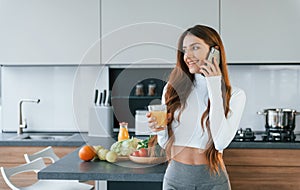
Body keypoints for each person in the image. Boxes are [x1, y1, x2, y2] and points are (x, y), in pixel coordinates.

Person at [147, 25, 246, 190]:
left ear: (214, 51)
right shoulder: (173, 89)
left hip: (213, 180)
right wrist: (160, 128)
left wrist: (214, 83)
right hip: (175, 178)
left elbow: (220, 142)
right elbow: (165, 143)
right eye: (185, 50)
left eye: (195, 47)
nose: (188, 56)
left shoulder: (235, 95)